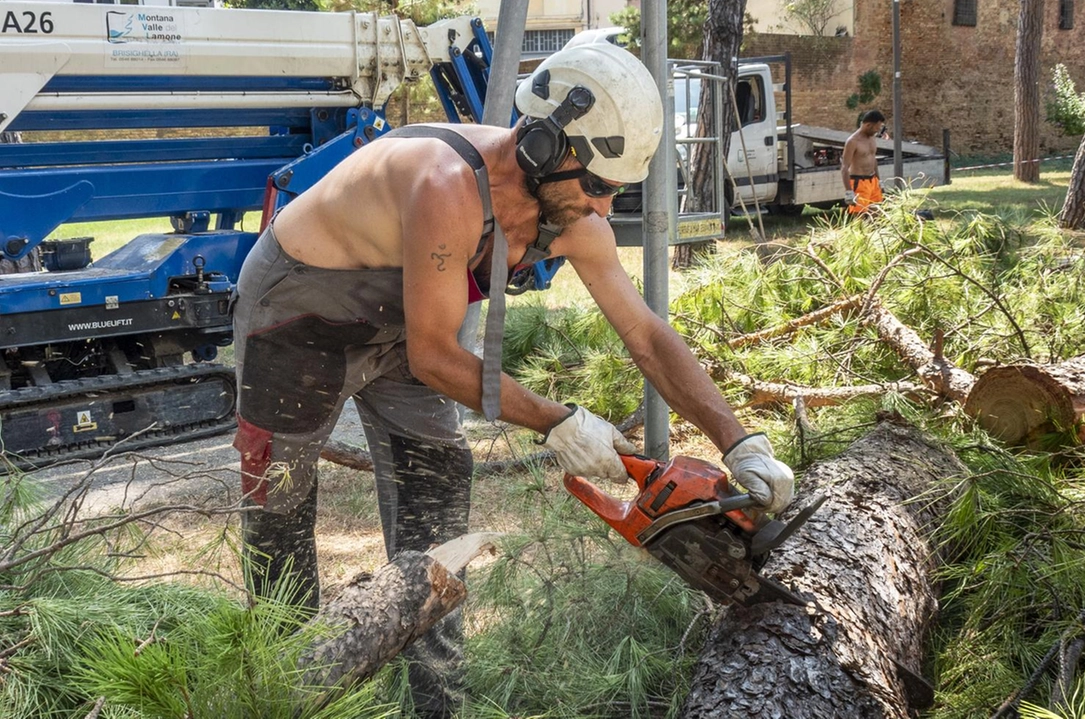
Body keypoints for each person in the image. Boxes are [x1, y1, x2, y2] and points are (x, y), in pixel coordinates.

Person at [231, 41, 794, 717]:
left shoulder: (571, 215)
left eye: (617, 190)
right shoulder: (444, 184)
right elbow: (438, 355)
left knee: (439, 479)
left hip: (402, 326)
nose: (605, 207)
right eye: (597, 185)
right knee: (281, 514)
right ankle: (276, 691)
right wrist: (558, 421)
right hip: (298, 316)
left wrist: (740, 440)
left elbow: (646, 334)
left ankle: (438, 702)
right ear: (543, 146)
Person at [841, 109, 887, 215]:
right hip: (859, 183)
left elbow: (873, 159)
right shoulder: (852, 141)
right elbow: (844, 167)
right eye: (876, 127)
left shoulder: (872, 138)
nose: (877, 130)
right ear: (868, 125)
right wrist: (848, 191)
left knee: (877, 215)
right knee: (860, 218)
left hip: (873, 181)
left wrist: (879, 181)